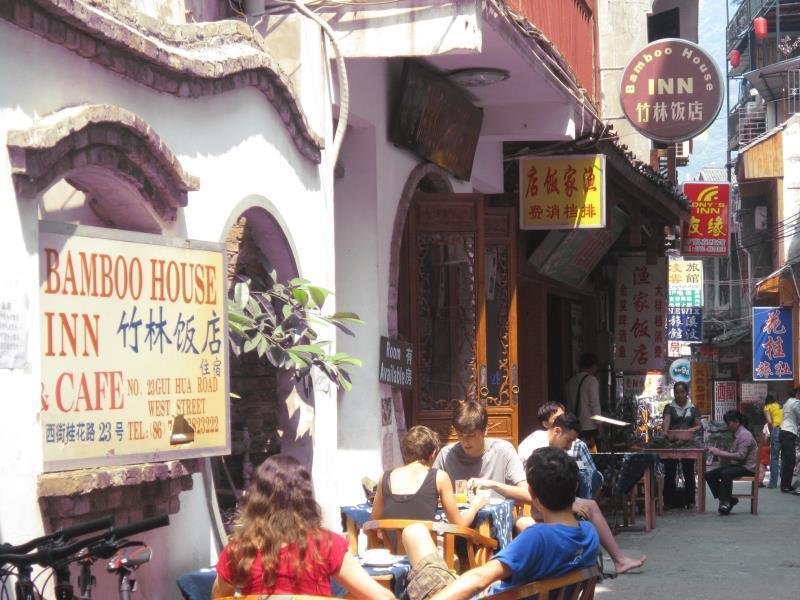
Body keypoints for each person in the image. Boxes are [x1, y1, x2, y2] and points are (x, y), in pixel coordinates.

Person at [400, 447, 600, 600]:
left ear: (532, 495)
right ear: (575, 486)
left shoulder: (538, 537)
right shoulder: (590, 533)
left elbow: (479, 579)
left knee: (414, 533)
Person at [212, 455, 394, 599]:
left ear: (256, 499)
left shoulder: (239, 550)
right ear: (305, 496)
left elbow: (219, 597)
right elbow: (382, 598)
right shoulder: (325, 544)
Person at [372, 425, 488, 525]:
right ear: (433, 454)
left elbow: (374, 522)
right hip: (425, 549)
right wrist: (475, 506)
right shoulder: (439, 477)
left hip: (392, 550)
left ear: (405, 452)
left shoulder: (385, 477)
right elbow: (459, 524)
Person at [433, 401, 530, 503]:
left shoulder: (504, 450)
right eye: (460, 435)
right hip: (458, 516)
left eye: (471, 435)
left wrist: (492, 485)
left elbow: (527, 495)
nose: (465, 441)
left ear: (485, 431)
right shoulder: (446, 455)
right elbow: (429, 492)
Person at [518, 405, 603, 499]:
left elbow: (588, 472)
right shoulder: (535, 446)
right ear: (557, 431)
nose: (570, 446)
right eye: (568, 441)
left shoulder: (577, 446)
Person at [705, 410, 758, 515]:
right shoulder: (735, 434)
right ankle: (730, 500)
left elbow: (741, 456)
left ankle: (725, 503)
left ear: (736, 422)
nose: (727, 426)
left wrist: (720, 452)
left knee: (726, 473)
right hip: (738, 465)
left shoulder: (744, 435)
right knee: (709, 475)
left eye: (728, 423)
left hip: (748, 467)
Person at [661, 381, 701, 508]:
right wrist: (665, 433)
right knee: (670, 470)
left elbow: (698, 425)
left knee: (688, 470)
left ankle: (690, 501)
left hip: (688, 443)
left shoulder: (693, 408)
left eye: (682, 392)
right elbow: (666, 423)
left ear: (687, 392)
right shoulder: (669, 407)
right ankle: (668, 501)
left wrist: (691, 430)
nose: (679, 395)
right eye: (676, 392)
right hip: (672, 442)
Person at [564, 352, 602, 449]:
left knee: (577, 457)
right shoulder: (591, 380)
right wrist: (600, 428)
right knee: (591, 458)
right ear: (593, 366)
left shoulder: (570, 381)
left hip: (574, 428)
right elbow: (595, 405)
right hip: (589, 428)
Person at [779, 389, 800, 493]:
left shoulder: (787, 402)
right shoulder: (796, 402)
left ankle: (785, 484)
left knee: (786, 460)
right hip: (789, 432)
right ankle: (786, 486)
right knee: (790, 461)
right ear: (798, 394)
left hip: (783, 432)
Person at [763, 394, 782, 488]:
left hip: (776, 430)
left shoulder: (767, 407)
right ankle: (785, 482)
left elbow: (770, 422)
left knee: (774, 457)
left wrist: (770, 433)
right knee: (785, 457)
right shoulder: (779, 405)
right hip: (786, 430)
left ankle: (773, 483)